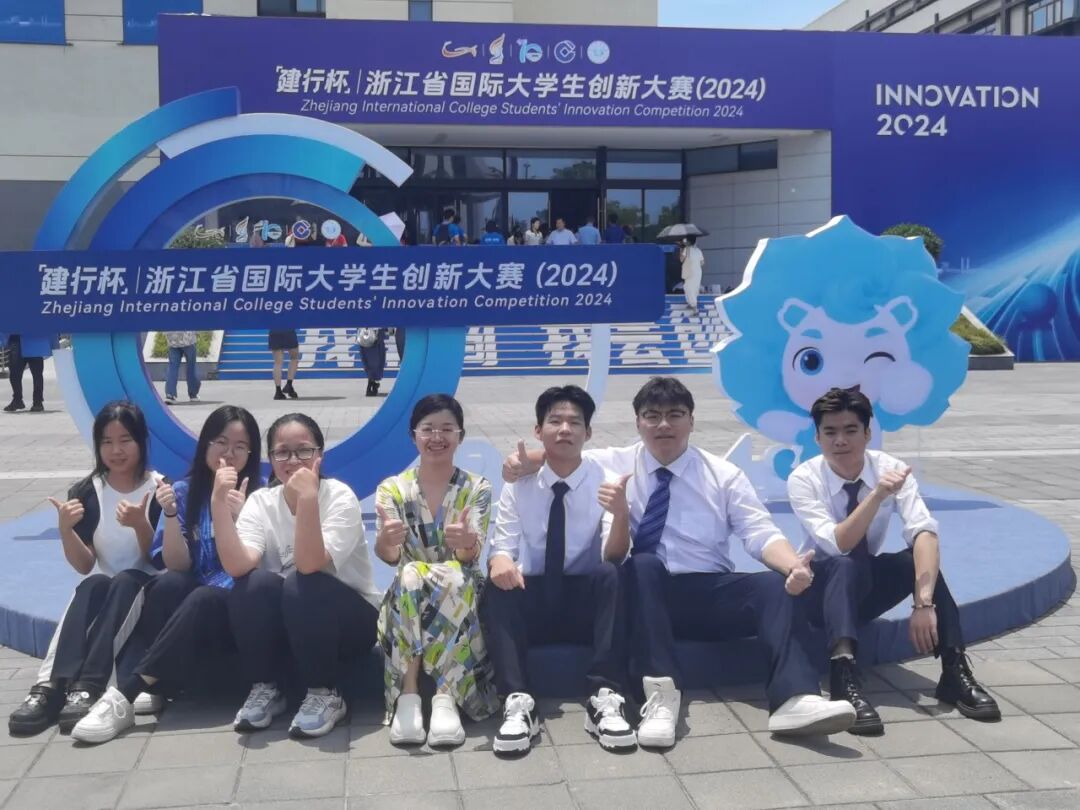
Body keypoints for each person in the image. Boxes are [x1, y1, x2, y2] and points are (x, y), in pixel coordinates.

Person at [503, 377, 856, 748]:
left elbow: (759, 532)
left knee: (772, 585)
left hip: (705, 591)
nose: (663, 425)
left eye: (675, 415)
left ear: (691, 421)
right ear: (638, 423)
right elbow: (563, 455)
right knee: (643, 564)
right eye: (652, 416)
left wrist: (792, 566)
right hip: (643, 594)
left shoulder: (722, 475)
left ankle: (794, 697)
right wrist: (522, 462)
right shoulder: (613, 463)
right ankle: (660, 696)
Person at [787, 388, 1001, 735]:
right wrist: (876, 496)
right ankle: (843, 677)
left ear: (867, 433)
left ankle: (954, 669)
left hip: (863, 586)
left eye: (850, 430)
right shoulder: (803, 479)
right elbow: (838, 543)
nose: (840, 440)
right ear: (817, 437)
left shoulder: (892, 469)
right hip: (818, 592)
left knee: (911, 560)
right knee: (843, 564)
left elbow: (924, 532)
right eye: (830, 432)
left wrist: (923, 603)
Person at [69, 406, 265, 743]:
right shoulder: (185, 491)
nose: (229, 454)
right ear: (205, 445)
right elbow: (176, 564)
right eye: (220, 442)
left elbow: (260, 567)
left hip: (236, 609)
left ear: (252, 452)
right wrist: (172, 514)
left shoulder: (261, 493)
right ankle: (159, 683)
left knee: (204, 597)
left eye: (240, 446)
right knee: (168, 583)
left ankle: (125, 693)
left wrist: (238, 514)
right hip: (192, 611)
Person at [483, 386, 634, 755]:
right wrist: (498, 560)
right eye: (555, 421)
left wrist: (621, 515)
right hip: (535, 596)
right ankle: (518, 701)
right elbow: (503, 545)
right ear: (538, 431)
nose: (565, 429)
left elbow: (612, 554)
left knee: (613, 575)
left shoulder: (607, 481)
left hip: (582, 600)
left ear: (588, 433)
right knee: (495, 584)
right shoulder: (519, 485)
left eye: (574, 422)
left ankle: (604, 695)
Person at [218, 413, 380, 738]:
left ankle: (326, 693)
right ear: (271, 458)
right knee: (252, 584)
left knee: (302, 582)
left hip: (351, 622)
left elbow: (309, 564)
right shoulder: (260, 502)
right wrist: (218, 503)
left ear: (320, 454)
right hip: (295, 619)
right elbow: (237, 565)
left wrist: (307, 499)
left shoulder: (339, 496)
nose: (293, 461)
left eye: (303, 450)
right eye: (282, 452)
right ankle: (267, 688)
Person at [8, 401, 162, 736]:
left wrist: (140, 524)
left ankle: (88, 685)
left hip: (147, 590)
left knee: (125, 580)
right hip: (108, 590)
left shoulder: (160, 489)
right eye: (107, 442)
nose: (116, 450)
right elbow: (84, 564)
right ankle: (49, 687)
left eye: (125, 440)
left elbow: (160, 560)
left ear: (141, 441)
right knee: (92, 584)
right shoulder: (87, 492)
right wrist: (66, 530)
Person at [375, 395, 498, 747]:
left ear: (460, 436)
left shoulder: (477, 488)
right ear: (413, 435)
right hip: (407, 595)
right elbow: (389, 556)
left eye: (447, 429)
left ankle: (445, 697)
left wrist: (465, 543)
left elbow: (469, 556)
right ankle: (409, 695)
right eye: (428, 429)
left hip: (462, 591)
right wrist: (385, 540)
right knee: (410, 574)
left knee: (453, 575)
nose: (437, 437)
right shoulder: (392, 489)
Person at [3, 333, 51, 413]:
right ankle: (18, 400)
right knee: (14, 374)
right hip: (18, 340)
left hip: (34, 340)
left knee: (37, 374)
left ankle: (37, 401)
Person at [163, 331, 201, 404]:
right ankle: (193, 395)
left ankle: (170, 395)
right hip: (188, 338)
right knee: (191, 367)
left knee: (173, 368)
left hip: (173, 340)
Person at [358, 328, 388, 397]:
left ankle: (372, 383)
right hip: (374, 336)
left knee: (369, 361)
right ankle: (372, 385)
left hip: (365, 335)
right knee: (376, 360)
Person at [679, 236, 705, 314]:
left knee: (688, 288)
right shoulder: (698, 250)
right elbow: (702, 262)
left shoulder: (686, 249)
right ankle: (691, 303)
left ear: (688, 242)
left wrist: (681, 251)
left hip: (690, 272)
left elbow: (681, 260)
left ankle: (694, 307)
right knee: (694, 289)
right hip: (698, 272)